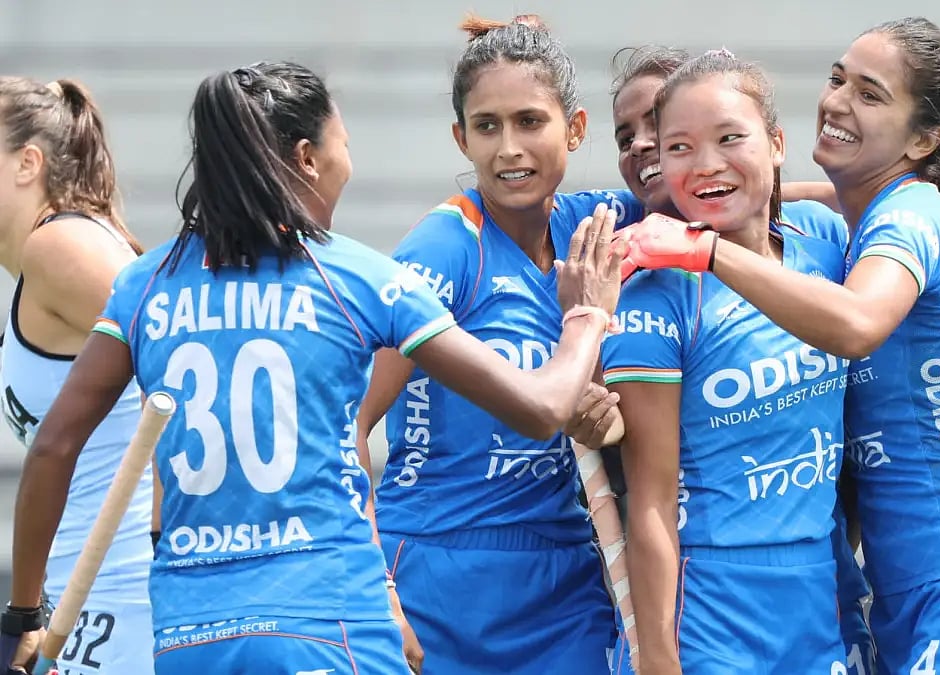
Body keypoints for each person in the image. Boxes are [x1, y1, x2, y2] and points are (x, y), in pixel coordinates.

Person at [3, 60, 625, 675]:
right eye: (343, 147)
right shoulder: (358, 277)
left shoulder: (145, 284)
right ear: (308, 158)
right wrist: (587, 318)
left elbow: (54, 447)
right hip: (330, 621)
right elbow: (543, 408)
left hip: (191, 634)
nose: (348, 166)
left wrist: (24, 615)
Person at [620, 17, 940, 674]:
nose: (837, 101)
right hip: (901, 598)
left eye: (870, 93)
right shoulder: (850, 225)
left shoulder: (909, 215)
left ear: (925, 137)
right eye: (838, 78)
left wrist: (706, 248)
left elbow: (857, 322)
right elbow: (780, 197)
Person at [354, 15, 645, 675]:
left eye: (529, 122)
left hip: (565, 578)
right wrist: (377, 589)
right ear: (461, 138)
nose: (509, 147)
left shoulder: (597, 225)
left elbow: (719, 205)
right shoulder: (445, 246)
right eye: (487, 126)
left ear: (574, 128)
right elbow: (350, 421)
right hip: (435, 574)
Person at [602, 49, 851, 675]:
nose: (706, 165)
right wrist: (658, 659)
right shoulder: (652, 299)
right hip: (712, 604)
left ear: (776, 142)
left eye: (729, 139)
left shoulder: (825, 239)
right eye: (679, 148)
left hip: (822, 592)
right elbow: (651, 501)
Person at [0, 76, 152, 675]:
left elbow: (188, 363)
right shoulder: (39, 261)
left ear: (26, 164)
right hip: (80, 598)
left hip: (120, 599)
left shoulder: (60, 246)